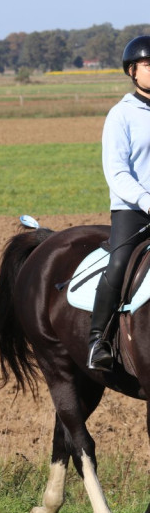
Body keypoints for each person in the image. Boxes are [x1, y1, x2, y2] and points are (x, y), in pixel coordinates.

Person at [87, 36, 150, 371]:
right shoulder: (121, 115)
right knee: (119, 263)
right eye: (148, 65)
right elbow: (116, 171)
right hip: (133, 209)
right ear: (132, 71)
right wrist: (146, 200)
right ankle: (98, 340)